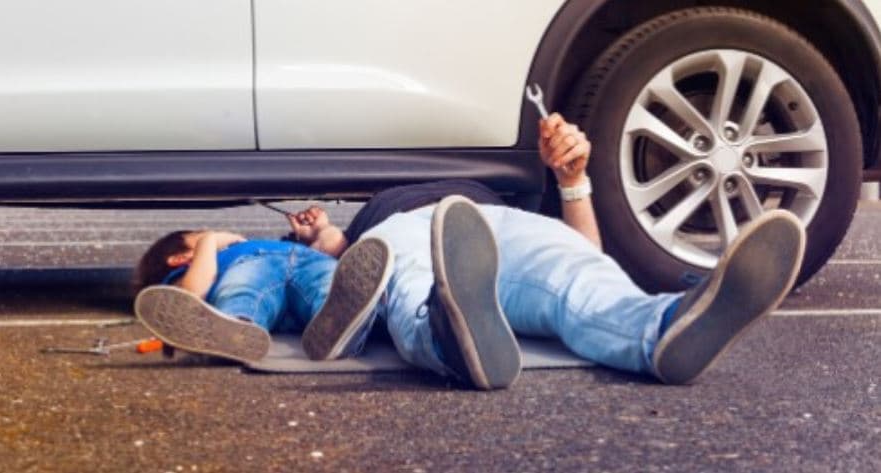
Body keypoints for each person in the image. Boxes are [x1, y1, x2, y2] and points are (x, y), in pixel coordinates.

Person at [291, 114, 805, 391]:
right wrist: (325, 239)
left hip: (494, 225)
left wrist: (572, 179)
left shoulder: (501, 193)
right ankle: (450, 334)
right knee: (410, 289)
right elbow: (361, 274)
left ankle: (663, 326)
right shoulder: (381, 212)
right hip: (404, 232)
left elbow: (585, 249)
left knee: (575, 272)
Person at [131, 229, 394, 363]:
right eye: (198, 237)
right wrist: (209, 240)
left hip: (308, 264)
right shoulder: (210, 261)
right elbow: (191, 294)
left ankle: (341, 325)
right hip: (256, 267)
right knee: (242, 288)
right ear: (180, 259)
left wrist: (321, 230)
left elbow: (335, 245)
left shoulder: (283, 243)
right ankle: (237, 326)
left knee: (330, 284)